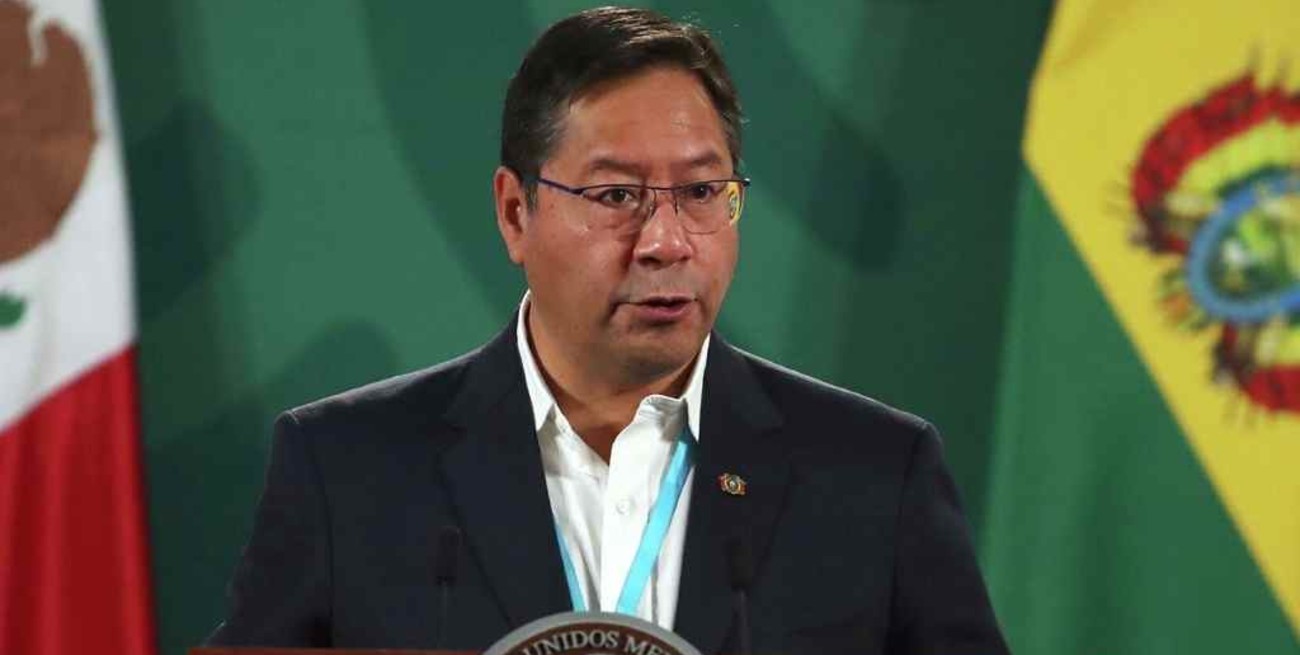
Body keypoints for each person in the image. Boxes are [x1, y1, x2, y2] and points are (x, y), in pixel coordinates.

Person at [209, 7, 1009, 654]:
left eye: (702, 191)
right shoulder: (348, 471)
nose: (666, 241)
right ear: (515, 212)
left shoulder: (875, 475)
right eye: (617, 196)